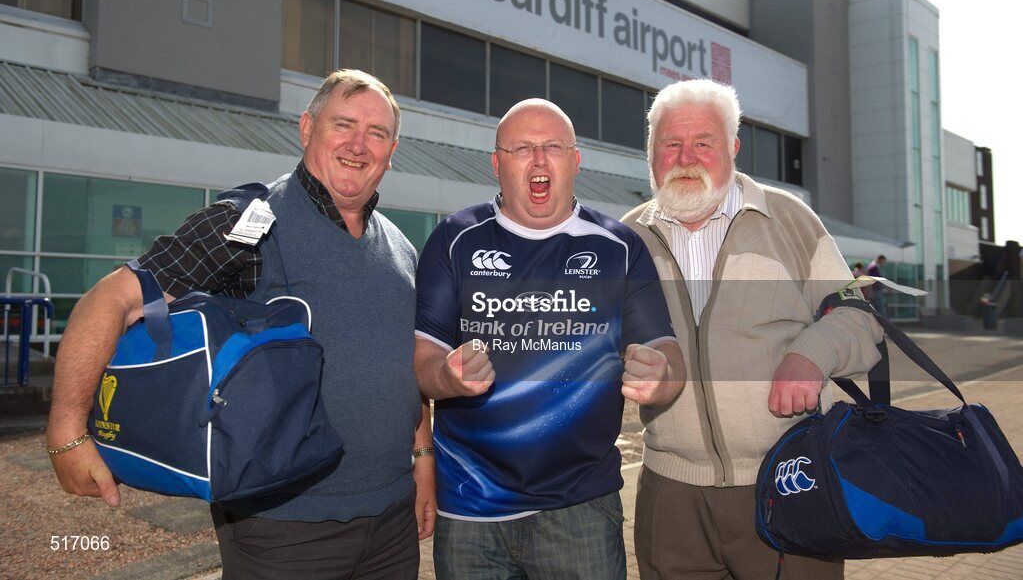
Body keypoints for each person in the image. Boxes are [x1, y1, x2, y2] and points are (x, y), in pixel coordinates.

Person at [46, 69, 436, 579]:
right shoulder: (248, 222)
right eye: (343, 125)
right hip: (280, 526)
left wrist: (423, 455)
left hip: (390, 520)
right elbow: (110, 301)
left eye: (377, 133)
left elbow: (397, 361)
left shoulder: (401, 248)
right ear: (306, 129)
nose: (358, 145)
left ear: (392, 149)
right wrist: (67, 431)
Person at [414, 98, 686, 579]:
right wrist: (446, 376)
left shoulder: (620, 246)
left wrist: (660, 376)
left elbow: (667, 355)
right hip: (471, 506)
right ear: (497, 164)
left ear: (575, 160)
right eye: (522, 148)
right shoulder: (454, 239)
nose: (539, 161)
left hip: (580, 505)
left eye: (552, 147)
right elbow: (422, 364)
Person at [621, 79, 882, 580]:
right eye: (671, 144)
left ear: (733, 148)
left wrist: (812, 354)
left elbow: (858, 317)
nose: (686, 157)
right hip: (670, 494)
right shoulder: (625, 238)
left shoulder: (790, 220)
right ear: (650, 153)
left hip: (791, 476)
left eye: (704, 142)